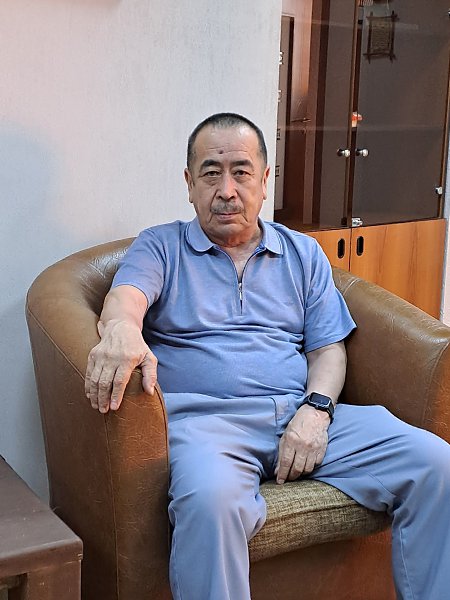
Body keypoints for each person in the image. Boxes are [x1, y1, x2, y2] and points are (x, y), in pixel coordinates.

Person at [85, 112, 450, 600]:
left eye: (241, 172)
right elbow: (125, 298)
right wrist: (120, 330)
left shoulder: (302, 253)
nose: (227, 190)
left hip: (297, 411)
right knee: (209, 502)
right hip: (209, 427)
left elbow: (328, 349)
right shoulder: (161, 246)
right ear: (189, 183)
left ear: (264, 180)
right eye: (211, 173)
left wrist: (316, 410)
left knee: (436, 464)